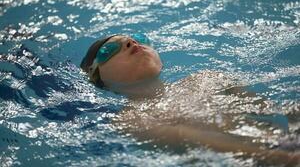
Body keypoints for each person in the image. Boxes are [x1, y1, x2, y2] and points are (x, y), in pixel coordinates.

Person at [81, 34, 300, 166]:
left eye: (138, 38)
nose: (130, 42)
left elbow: (273, 112)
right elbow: (191, 140)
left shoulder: (209, 79)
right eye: (109, 50)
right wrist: (277, 159)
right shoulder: (130, 119)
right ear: (96, 78)